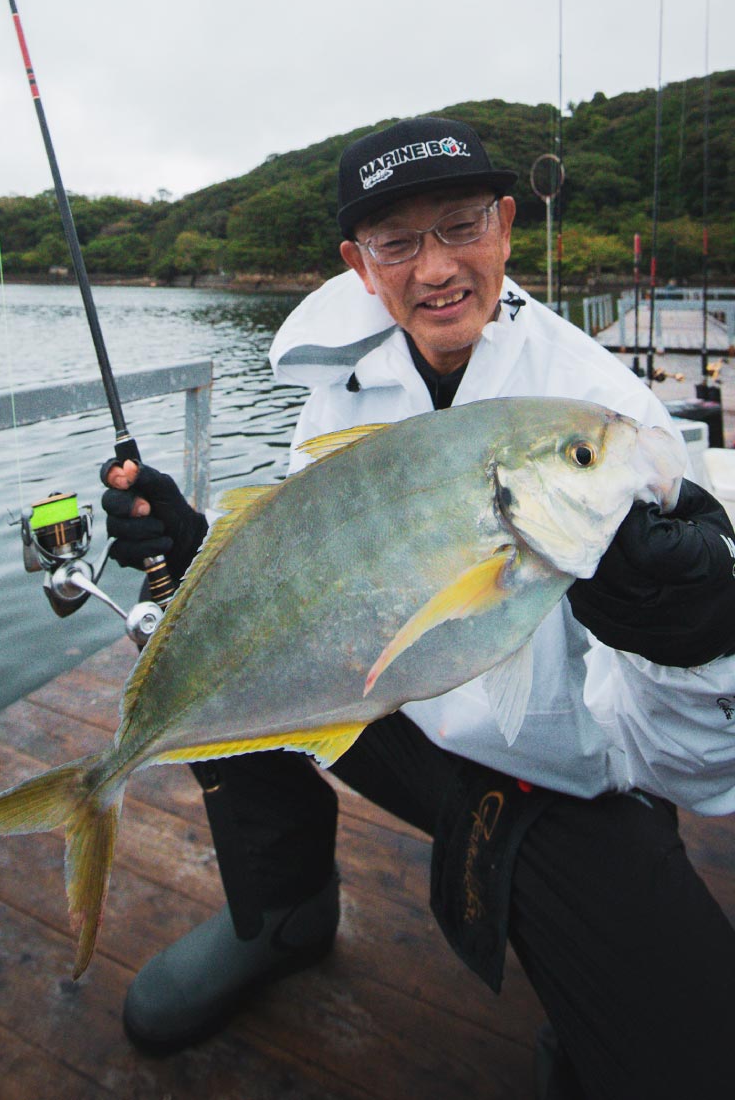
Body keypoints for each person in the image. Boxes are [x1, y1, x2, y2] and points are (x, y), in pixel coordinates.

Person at [103, 117, 735, 1099]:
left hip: (560, 772)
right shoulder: (342, 388)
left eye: (461, 226)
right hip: (395, 709)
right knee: (222, 665)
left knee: (692, 1057)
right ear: (361, 265)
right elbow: (304, 567)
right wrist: (194, 549)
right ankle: (283, 912)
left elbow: (690, 761)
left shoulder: (600, 419)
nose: (435, 268)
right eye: (397, 242)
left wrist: (692, 638)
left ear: (505, 226)